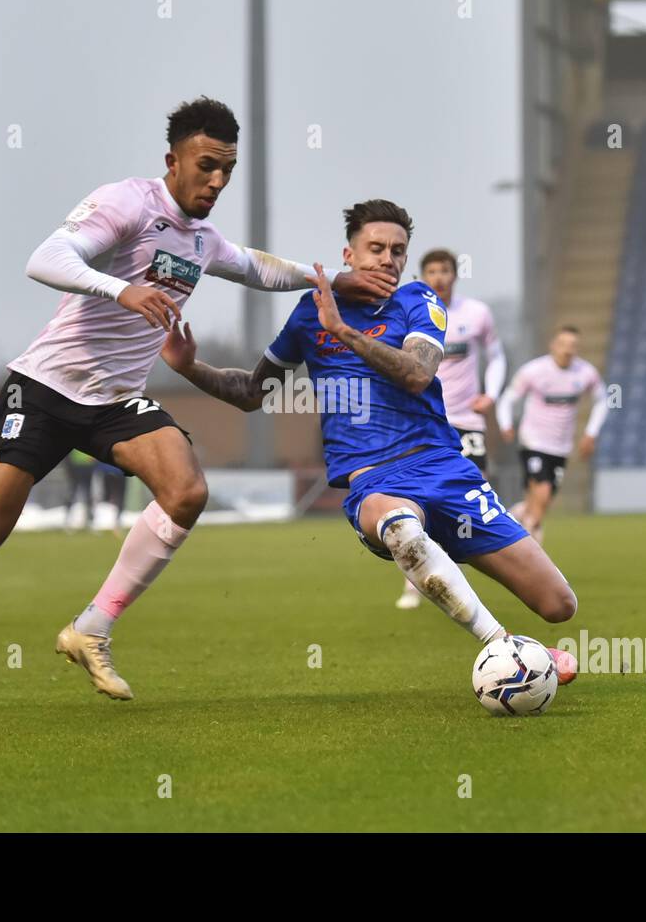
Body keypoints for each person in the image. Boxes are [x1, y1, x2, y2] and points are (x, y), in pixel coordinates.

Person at [0, 96, 393, 713]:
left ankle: (92, 628)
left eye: (227, 171)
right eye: (207, 165)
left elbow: (258, 269)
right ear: (173, 159)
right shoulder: (129, 202)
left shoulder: (203, 240)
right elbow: (45, 259)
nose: (217, 181)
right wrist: (122, 289)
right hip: (45, 389)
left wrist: (333, 281)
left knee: (186, 491)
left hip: (114, 401)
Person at [163, 199, 579, 684]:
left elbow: (417, 374)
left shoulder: (418, 300)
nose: (388, 259)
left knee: (558, 605)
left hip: (443, 467)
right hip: (375, 482)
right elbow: (253, 393)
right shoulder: (308, 314)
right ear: (349, 254)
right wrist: (190, 367)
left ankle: (520, 641)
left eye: (398, 251)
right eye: (376, 248)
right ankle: (502, 647)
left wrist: (345, 332)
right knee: (399, 527)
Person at [393, 248, 505, 610]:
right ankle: (415, 580)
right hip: (426, 421)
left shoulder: (476, 314)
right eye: (432, 271)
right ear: (422, 276)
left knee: (473, 494)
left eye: (445, 270)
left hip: (467, 421)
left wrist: (492, 394)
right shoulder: (411, 313)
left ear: (455, 275)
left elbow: (496, 354)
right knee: (417, 500)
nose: (439, 277)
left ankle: (468, 570)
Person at [496, 326, 607, 544]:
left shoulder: (585, 373)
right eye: (563, 344)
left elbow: (604, 400)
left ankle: (514, 516)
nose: (567, 350)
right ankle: (529, 545)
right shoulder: (534, 371)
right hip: (533, 442)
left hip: (561, 447)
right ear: (553, 346)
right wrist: (506, 424)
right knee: (543, 492)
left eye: (573, 345)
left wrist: (591, 434)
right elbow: (508, 398)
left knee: (540, 502)